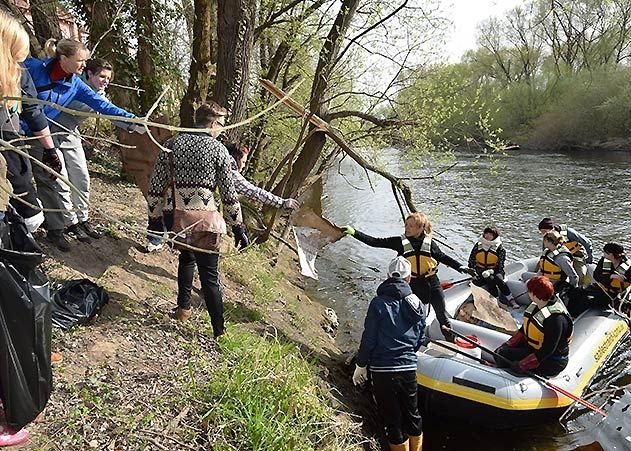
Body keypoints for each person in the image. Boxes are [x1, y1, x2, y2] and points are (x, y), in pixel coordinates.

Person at [23, 38, 137, 251]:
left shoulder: (75, 85)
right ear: (63, 58)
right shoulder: (33, 68)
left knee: (50, 178)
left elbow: (103, 106)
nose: (84, 65)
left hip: (40, 134)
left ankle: (56, 230)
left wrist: (133, 120)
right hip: (15, 129)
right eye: (80, 61)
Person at [146, 101, 248, 336]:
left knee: (186, 257)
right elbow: (229, 194)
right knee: (210, 276)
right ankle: (219, 332)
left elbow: (155, 188)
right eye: (221, 124)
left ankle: (183, 309)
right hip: (206, 223)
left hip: (177, 220)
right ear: (213, 123)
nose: (221, 129)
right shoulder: (218, 150)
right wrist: (238, 226)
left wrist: (154, 220)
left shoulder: (170, 145)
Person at [342, 212, 475, 340]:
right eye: (406, 225)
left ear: (420, 228)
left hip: (432, 284)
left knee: (443, 317)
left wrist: (461, 267)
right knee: (409, 316)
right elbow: (375, 242)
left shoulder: (430, 244)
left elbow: (443, 257)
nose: (406, 228)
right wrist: (354, 232)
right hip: (412, 286)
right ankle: (410, 340)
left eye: (411, 226)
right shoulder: (399, 242)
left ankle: (451, 340)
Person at [53, 58, 144, 242]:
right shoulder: (75, 85)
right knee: (61, 179)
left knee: (82, 177)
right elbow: (102, 107)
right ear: (89, 74)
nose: (106, 81)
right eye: (102, 76)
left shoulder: (99, 93)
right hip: (51, 132)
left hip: (71, 133)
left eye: (108, 78)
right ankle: (71, 223)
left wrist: (133, 125)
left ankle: (83, 219)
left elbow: (108, 111)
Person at [352, 256, 424, 451]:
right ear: (409, 279)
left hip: (383, 370)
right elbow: (419, 338)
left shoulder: (378, 303)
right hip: (408, 368)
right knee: (413, 415)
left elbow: (369, 338)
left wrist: (361, 364)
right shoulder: (418, 304)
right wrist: (408, 353)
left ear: (387, 276)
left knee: (392, 420)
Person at [0, 10, 61, 234]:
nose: (19, 63)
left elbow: (32, 110)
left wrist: (50, 150)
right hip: (6, 150)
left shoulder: (18, 72)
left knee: (26, 211)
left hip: (14, 144)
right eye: (15, 56)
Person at [495, 275, 573, 377]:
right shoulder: (536, 307)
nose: (528, 293)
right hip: (533, 348)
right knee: (500, 352)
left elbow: (548, 350)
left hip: (551, 360)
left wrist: (524, 364)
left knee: (503, 356)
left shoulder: (555, 319)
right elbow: (524, 330)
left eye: (529, 291)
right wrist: (509, 344)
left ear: (535, 295)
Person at [225, 142, 300, 210]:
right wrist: (282, 202)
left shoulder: (221, 162)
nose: (244, 165)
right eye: (243, 162)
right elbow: (254, 192)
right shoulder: (232, 173)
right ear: (237, 159)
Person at [568, 243, 631, 317]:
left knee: (586, 300)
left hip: (611, 295)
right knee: (576, 291)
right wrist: (611, 276)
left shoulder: (628, 269)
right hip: (599, 287)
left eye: (606, 253)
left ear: (613, 254)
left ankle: (576, 316)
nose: (603, 254)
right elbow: (596, 276)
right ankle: (569, 315)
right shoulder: (605, 261)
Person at [467, 225, 518, 308]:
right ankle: (496, 300)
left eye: (491, 234)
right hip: (480, 270)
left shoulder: (500, 248)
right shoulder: (478, 245)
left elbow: (500, 265)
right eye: (486, 233)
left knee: (498, 279)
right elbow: (471, 260)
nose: (488, 236)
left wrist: (491, 271)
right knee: (489, 279)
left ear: (495, 236)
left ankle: (511, 299)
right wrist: (473, 271)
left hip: (495, 270)